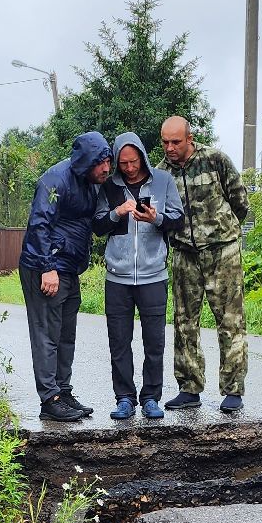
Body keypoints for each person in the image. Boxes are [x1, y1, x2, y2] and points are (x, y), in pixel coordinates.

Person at [158, 116, 250, 413]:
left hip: (222, 252)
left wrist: (222, 231)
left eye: (176, 142)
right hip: (185, 253)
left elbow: (239, 201)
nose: (170, 148)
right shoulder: (161, 173)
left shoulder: (214, 160)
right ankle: (189, 388)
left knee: (230, 321)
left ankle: (233, 390)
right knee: (184, 322)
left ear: (189, 138)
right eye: (165, 142)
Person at [19, 132, 113, 422]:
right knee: (47, 334)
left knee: (66, 335)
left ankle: (63, 391)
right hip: (46, 267)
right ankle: (50, 399)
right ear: (87, 161)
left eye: (108, 161)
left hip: (70, 267)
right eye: (101, 163)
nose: (107, 168)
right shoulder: (55, 180)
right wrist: (47, 267)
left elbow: (90, 224)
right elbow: (39, 224)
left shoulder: (90, 183)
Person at [93, 131, 184, 420]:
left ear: (143, 157)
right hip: (117, 278)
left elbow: (178, 219)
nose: (130, 168)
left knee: (154, 342)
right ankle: (124, 398)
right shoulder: (108, 186)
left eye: (134, 161)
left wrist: (155, 218)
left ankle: (151, 399)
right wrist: (117, 212)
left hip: (154, 276)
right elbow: (98, 226)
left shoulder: (163, 180)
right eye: (123, 163)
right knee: (119, 342)